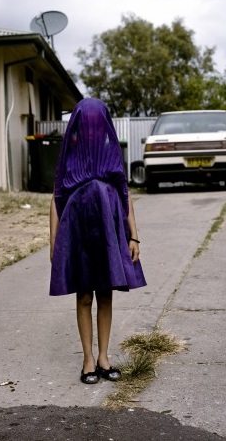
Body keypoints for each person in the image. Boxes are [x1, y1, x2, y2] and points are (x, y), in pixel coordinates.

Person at [48, 98, 147, 385]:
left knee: (105, 293)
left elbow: (125, 195)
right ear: (78, 125)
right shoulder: (69, 155)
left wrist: (134, 235)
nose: (91, 130)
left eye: (96, 124)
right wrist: (54, 242)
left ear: (103, 125)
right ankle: (88, 359)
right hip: (77, 231)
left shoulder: (111, 153)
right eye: (86, 124)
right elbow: (55, 199)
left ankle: (104, 357)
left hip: (108, 229)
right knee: (83, 295)